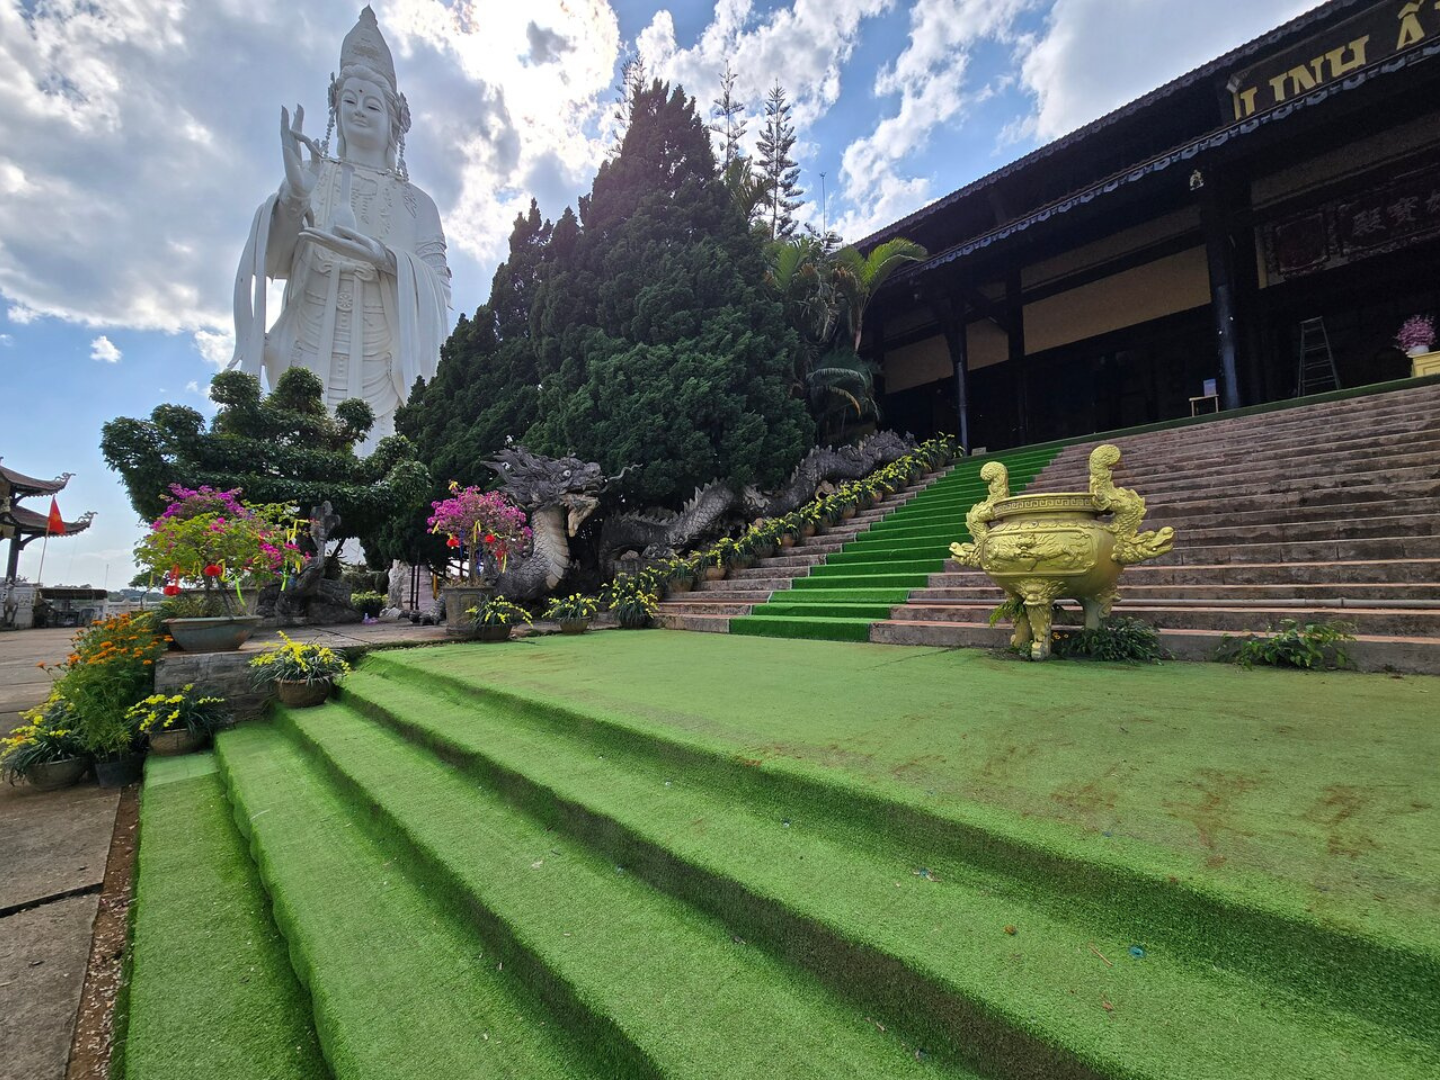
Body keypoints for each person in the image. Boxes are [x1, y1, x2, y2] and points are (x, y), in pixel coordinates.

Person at [230, 6, 450, 454]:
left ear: (395, 119)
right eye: (350, 101)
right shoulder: (313, 177)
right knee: (295, 463)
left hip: (382, 362)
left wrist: (385, 258)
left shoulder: (418, 204)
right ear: (335, 107)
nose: (359, 111)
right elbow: (272, 262)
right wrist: (293, 199)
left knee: (383, 462)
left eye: (372, 104)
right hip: (308, 345)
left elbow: (440, 289)